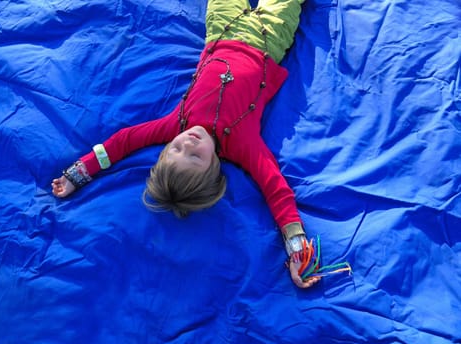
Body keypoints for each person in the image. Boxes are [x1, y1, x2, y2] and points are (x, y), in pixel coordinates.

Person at [52, 0, 321, 288]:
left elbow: (123, 143)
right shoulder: (242, 144)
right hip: (268, 40)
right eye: (195, 156)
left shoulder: (175, 125)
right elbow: (275, 189)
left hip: (222, 30)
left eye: (175, 149)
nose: (188, 142)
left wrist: (79, 173)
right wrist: (297, 251)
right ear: (213, 169)